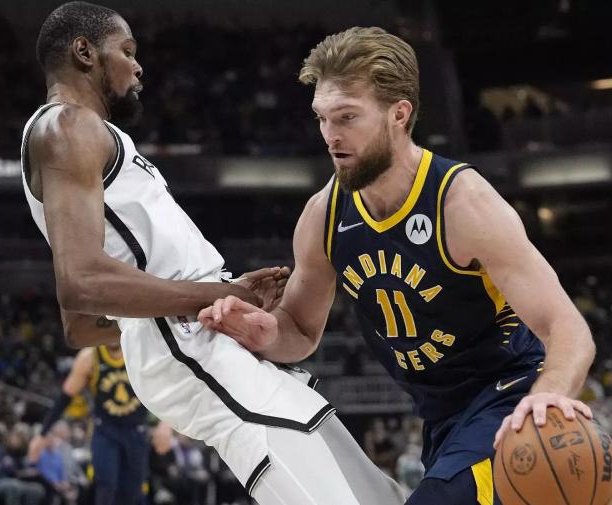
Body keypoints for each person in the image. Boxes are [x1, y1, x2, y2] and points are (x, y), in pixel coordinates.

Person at [23, 3, 404, 504]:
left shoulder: (84, 137)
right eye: (127, 51)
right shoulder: (67, 126)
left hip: (193, 338)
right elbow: (81, 284)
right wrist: (217, 295)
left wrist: (220, 299)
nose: (137, 67)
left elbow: (81, 326)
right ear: (84, 52)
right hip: (190, 347)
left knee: (374, 489)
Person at [199, 26, 597, 504]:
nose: (331, 135)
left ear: (399, 114)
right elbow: (300, 330)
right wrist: (265, 333)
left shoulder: (462, 204)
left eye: (347, 117)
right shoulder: (324, 215)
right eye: (322, 118)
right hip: (441, 419)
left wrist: (549, 393)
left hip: (508, 397)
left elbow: (568, 327)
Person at [30, 343, 149, 505]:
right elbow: (65, 397)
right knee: (106, 484)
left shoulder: (140, 349)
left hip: (136, 430)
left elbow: (166, 384)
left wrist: (165, 425)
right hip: (106, 430)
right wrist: (42, 434)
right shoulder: (90, 357)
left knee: (133, 491)